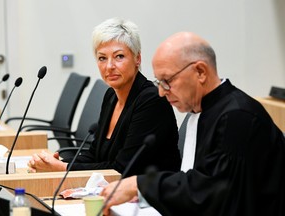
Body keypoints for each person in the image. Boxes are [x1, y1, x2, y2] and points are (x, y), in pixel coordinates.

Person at [100, 32, 285, 215]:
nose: (161, 92)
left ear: (200, 72)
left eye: (167, 81)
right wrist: (146, 195)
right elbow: (197, 180)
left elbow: (211, 195)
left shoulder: (237, 117)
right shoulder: (204, 111)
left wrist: (140, 185)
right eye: (158, 81)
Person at [27, 18, 181, 177]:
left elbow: (123, 168)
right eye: (102, 58)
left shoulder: (151, 101)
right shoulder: (111, 96)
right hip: (114, 191)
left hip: (148, 196)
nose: (109, 66)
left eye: (119, 56)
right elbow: (95, 154)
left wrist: (62, 168)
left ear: (137, 59)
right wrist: (59, 163)